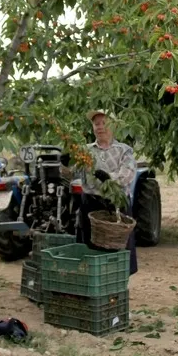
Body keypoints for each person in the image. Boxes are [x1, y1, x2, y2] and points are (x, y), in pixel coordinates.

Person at [75, 110, 138, 276]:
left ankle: (116, 284)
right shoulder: (85, 151)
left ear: (113, 126)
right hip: (90, 203)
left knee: (117, 248)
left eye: (104, 123)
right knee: (90, 248)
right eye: (96, 124)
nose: (100, 127)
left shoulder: (124, 150)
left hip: (115, 205)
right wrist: (66, 163)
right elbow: (72, 173)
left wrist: (109, 178)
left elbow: (128, 174)